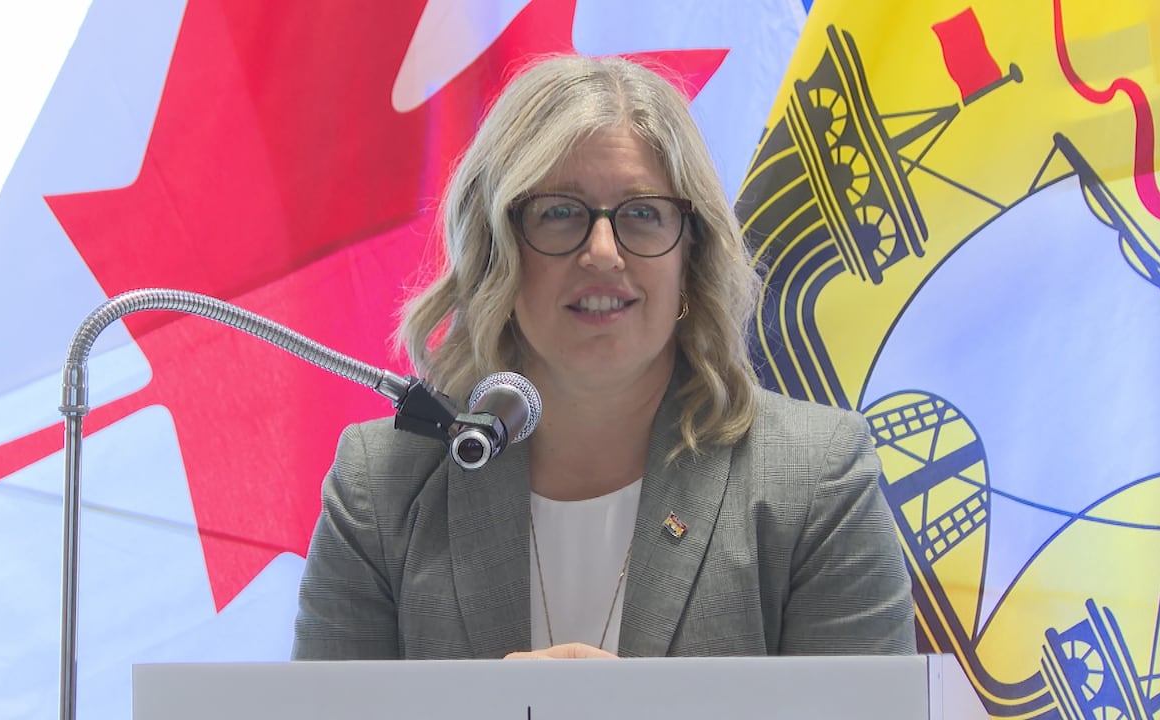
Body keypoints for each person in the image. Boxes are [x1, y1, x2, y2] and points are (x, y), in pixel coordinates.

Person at [291, 54, 915, 660]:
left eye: (642, 214)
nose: (603, 253)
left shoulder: (815, 481)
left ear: (689, 256)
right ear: (495, 249)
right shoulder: (381, 485)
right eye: (560, 213)